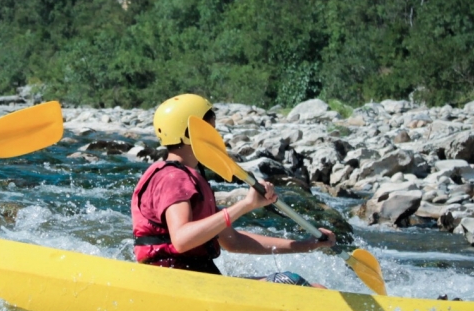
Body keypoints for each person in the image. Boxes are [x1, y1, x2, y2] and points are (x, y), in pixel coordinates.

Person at [131, 94, 334, 286]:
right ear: (189, 134)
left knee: (315, 287)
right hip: (175, 280)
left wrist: (306, 245)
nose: (215, 135)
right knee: (290, 280)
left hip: (197, 278)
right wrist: (246, 205)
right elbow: (182, 240)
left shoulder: (188, 176)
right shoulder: (173, 178)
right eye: (211, 129)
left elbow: (232, 241)